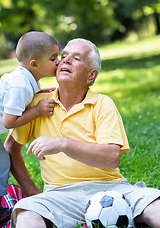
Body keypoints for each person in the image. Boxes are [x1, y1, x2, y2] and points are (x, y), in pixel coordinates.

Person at [5, 38, 160, 228]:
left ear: (91, 76)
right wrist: (31, 190)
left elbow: (111, 157)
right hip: (58, 194)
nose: (66, 60)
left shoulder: (102, 103)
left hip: (111, 188)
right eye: (63, 56)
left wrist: (62, 143)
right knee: (27, 214)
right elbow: (11, 148)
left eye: (76, 58)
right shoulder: (38, 104)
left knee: (155, 205)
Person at [0, 31, 59, 226]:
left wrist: (40, 93)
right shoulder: (21, 86)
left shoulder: (28, 80)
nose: (58, 62)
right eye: (53, 58)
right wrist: (37, 111)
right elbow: (9, 122)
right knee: (1, 166)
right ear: (34, 64)